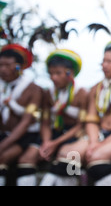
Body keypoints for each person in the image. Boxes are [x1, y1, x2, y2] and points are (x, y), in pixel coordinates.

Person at [63, 39, 111, 185]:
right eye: (103, 61)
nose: (104, 65)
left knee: (98, 158)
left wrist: (102, 144)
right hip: (99, 135)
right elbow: (92, 120)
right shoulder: (97, 88)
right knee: (68, 155)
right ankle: (76, 180)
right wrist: (94, 142)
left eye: (109, 61)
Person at [38, 49, 89, 186]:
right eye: (51, 73)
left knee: (70, 158)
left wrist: (55, 143)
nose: (53, 77)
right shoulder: (49, 93)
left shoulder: (81, 93)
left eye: (58, 73)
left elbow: (81, 125)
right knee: (31, 155)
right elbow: (45, 122)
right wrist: (47, 142)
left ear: (69, 73)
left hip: (75, 136)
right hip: (55, 133)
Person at [0, 43, 44, 186]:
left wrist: (3, 145)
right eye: (0, 65)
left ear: (19, 67)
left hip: (26, 137)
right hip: (6, 135)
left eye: (7, 65)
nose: (3, 69)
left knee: (3, 157)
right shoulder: (3, 88)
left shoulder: (33, 89)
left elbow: (26, 123)